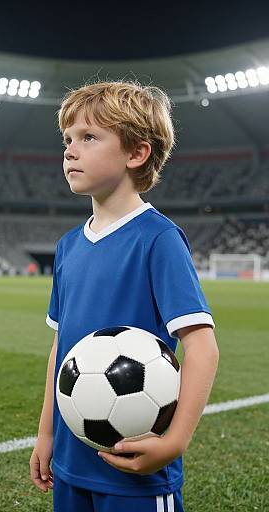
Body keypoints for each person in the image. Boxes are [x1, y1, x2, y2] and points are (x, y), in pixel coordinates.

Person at [29, 81, 219, 512]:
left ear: (136, 153)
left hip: (136, 466)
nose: (70, 151)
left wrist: (173, 442)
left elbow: (202, 346)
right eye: (68, 140)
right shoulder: (67, 246)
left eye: (89, 137)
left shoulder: (159, 239)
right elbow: (61, 350)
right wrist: (47, 435)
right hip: (72, 462)